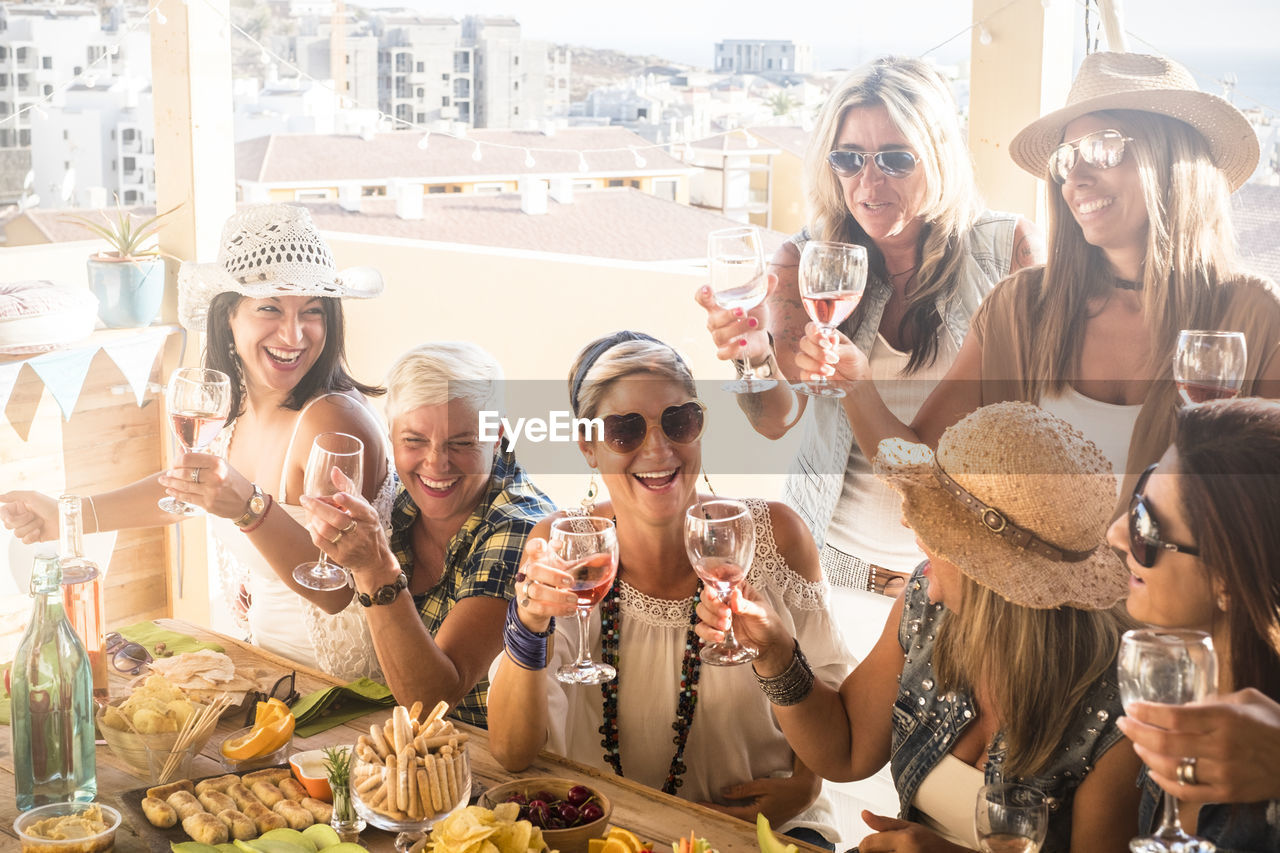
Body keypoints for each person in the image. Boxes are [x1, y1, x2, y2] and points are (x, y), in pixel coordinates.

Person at [794, 52, 1280, 510]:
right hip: (1030, 602)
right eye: (1066, 159)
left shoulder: (1255, 319)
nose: (1076, 177)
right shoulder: (1020, 308)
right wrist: (854, 385)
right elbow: (920, 467)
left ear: (1174, 159)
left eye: (1103, 149)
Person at [699, 402, 1143, 852]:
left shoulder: (1119, 714)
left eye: (939, 525)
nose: (911, 524)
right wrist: (776, 656)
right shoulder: (926, 608)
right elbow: (846, 748)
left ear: (994, 575)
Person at [486, 331, 851, 849]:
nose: (658, 449)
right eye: (625, 430)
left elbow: (837, 731)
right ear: (588, 446)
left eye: (678, 421)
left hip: (766, 833)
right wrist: (528, 625)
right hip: (616, 839)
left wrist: (806, 785)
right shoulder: (562, 548)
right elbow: (510, 751)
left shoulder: (776, 537)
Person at [697, 56, 1042, 598]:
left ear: (940, 157)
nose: (869, 182)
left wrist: (856, 384)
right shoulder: (805, 259)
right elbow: (777, 418)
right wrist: (751, 355)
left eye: (897, 159)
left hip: (961, 584)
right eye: (849, 158)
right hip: (826, 573)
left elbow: (1021, 429)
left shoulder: (1009, 254)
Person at [0, 203, 391, 680]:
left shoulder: (330, 421)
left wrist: (249, 508)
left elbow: (339, 588)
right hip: (267, 666)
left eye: (312, 312)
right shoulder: (237, 401)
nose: (294, 334)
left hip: (337, 689)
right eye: (270, 308)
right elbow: (188, 491)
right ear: (229, 317)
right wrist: (66, 515)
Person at [299, 342, 554, 726]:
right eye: (414, 441)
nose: (436, 463)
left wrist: (374, 567)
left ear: (497, 434)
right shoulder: (397, 499)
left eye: (462, 442)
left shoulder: (521, 527)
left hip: (484, 761)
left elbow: (432, 700)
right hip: (397, 740)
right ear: (391, 434)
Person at [1106, 398, 1280, 850]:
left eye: (1146, 525)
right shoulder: (1180, 690)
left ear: (1229, 577)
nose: (1115, 532)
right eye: (1139, 496)